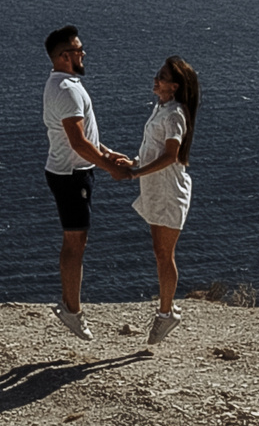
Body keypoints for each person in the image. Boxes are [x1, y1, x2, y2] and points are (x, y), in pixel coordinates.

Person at [41, 26, 133, 341]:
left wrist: (106, 152)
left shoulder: (66, 85)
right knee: (74, 242)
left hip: (72, 172)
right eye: (78, 50)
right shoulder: (66, 89)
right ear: (64, 56)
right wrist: (110, 168)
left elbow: (84, 138)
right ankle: (71, 310)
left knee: (76, 240)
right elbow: (78, 143)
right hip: (71, 175)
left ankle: (71, 306)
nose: (83, 54)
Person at [115, 56, 198, 345]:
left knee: (165, 254)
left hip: (168, 190)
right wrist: (136, 162)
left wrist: (136, 172)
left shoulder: (175, 114)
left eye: (162, 77)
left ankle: (166, 314)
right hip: (156, 188)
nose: (156, 79)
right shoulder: (160, 109)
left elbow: (171, 155)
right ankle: (168, 308)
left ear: (174, 86)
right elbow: (154, 150)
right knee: (159, 252)